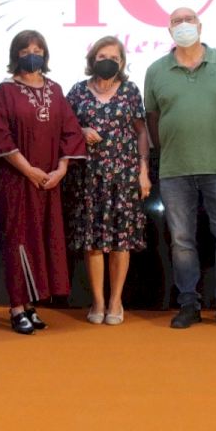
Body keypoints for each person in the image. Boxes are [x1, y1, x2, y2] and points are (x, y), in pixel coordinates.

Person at [144, 8, 216, 330]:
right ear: (169, 30)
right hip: (175, 169)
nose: (184, 25)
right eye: (177, 21)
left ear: (200, 26)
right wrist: (167, 151)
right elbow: (152, 118)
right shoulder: (156, 70)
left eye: (189, 20)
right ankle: (189, 304)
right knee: (182, 241)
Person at [0, 29, 86, 334]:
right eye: (26, 50)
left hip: (49, 182)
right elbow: (0, 135)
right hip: (16, 179)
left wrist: (61, 170)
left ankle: (32, 304)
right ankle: (17, 306)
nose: (33, 55)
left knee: (43, 240)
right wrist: (28, 169)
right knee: (18, 239)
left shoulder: (55, 90)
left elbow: (71, 131)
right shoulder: (4, 91)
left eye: (38, 50)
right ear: (15, 55)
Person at [65, 36, 151, 325]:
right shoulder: (78, 91)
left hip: (124, 176)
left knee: (120, 241)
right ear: (92, 59)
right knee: (93, 242)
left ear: (122, 62)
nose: (108, 62)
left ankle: (115, 300)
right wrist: (81, 130)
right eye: (102, 57)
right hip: (88, 177)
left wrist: (143, 171)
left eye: (114, 58)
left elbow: (141, 131)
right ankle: (98, 301)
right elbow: (64, 127)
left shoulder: (129, 90)